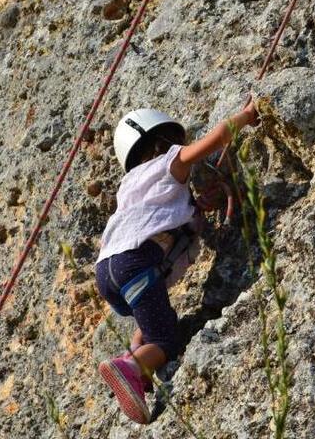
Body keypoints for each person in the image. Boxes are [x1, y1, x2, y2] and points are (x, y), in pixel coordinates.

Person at [95, 101, 259, 424]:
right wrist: (247, 116)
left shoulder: (129, 186)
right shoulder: (170, 160)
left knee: (155, 318)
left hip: (107, 272)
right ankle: (131, 366)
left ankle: (137, 360)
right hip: (136, 262)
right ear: (163, 142)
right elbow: (214, 139)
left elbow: (161, 218)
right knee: (167, 339)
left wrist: (196, 209)